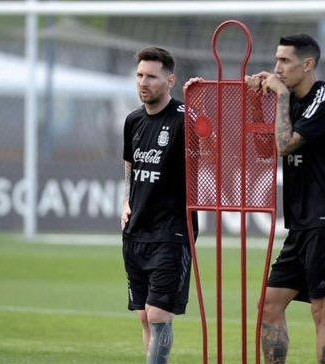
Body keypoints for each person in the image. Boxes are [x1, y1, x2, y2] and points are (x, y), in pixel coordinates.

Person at [247, 33, 325, 364]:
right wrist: (256, 101)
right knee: (269, 304)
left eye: (285, 61)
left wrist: (278, 97)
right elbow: (265, 150)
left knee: (323, 310)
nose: (277, 67)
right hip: (300, 223)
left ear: (308, 64)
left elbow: (283, 145)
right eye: (276, 59)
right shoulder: (291, 99)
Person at [121, 46, 195, 364]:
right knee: (143, 317)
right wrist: (126, 199)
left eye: (151, 76)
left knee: (158, 314)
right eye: (139, 75)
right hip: (136, 231)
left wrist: (199, 105)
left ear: (170, 80)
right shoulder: (133, 121)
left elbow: (214, 144)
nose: (143, 82)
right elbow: (130, 165)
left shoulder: (183, 118)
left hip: (172, 232)